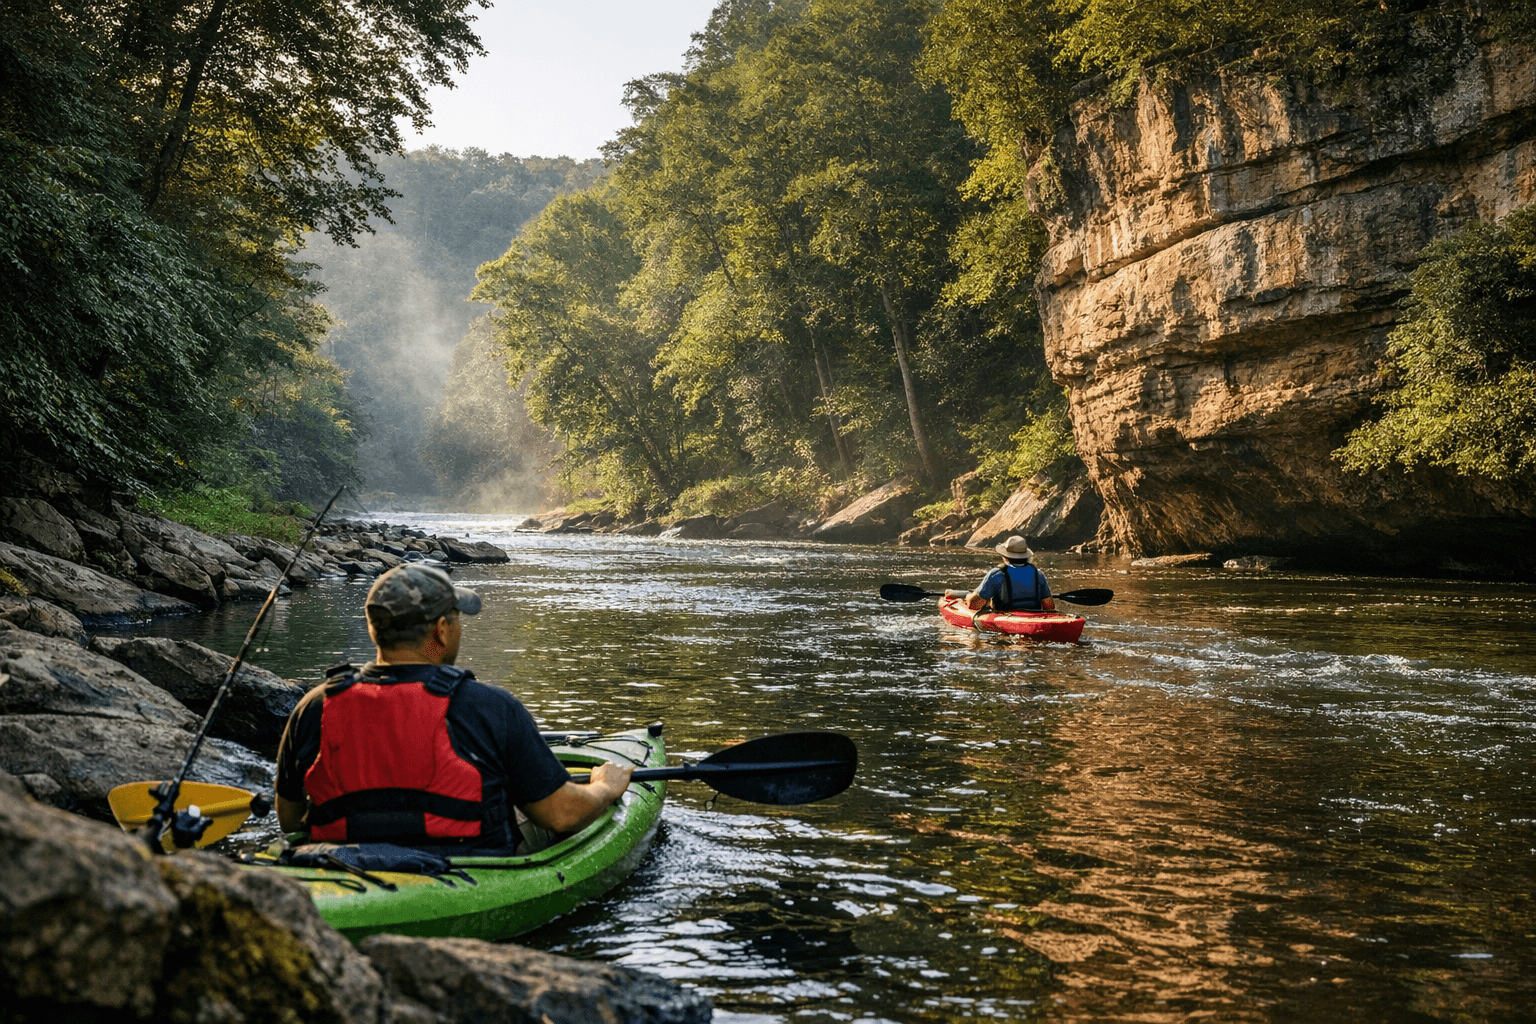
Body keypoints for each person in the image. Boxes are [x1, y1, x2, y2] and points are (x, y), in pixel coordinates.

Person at [274, 563, 632, 851]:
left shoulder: (315, 706)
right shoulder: (489, 706)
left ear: (373, 629)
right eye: (458, 619)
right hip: (470, 869)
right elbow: (561, 814)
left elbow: (290, 821)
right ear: (442, 630)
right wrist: (603, 787)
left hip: (343, 866)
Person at [965, 535, 1055, 612]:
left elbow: (974, 605)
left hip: (1006, 619)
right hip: (1033, 618)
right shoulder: (1038, 574)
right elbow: (1049, 607)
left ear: (1005, 557)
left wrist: (969, 597)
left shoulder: (997, 574)